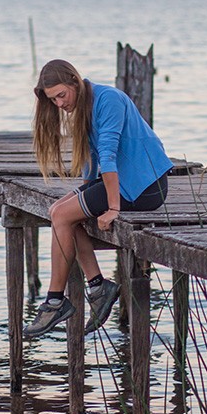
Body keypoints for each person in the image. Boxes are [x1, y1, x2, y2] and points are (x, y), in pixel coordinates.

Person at [23, 59, 174, 338]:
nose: (58, 103)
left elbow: (107, 153)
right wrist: (84, 193)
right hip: (122, 182)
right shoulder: (85, 104)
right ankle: (98, 287)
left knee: (62, 214)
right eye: (52, 99)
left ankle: (54, 302)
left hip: (145, 186)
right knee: (59, 211)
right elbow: (91, 158)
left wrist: (112, 207)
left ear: (74, 80)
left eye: (61, 95)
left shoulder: (109, 99)